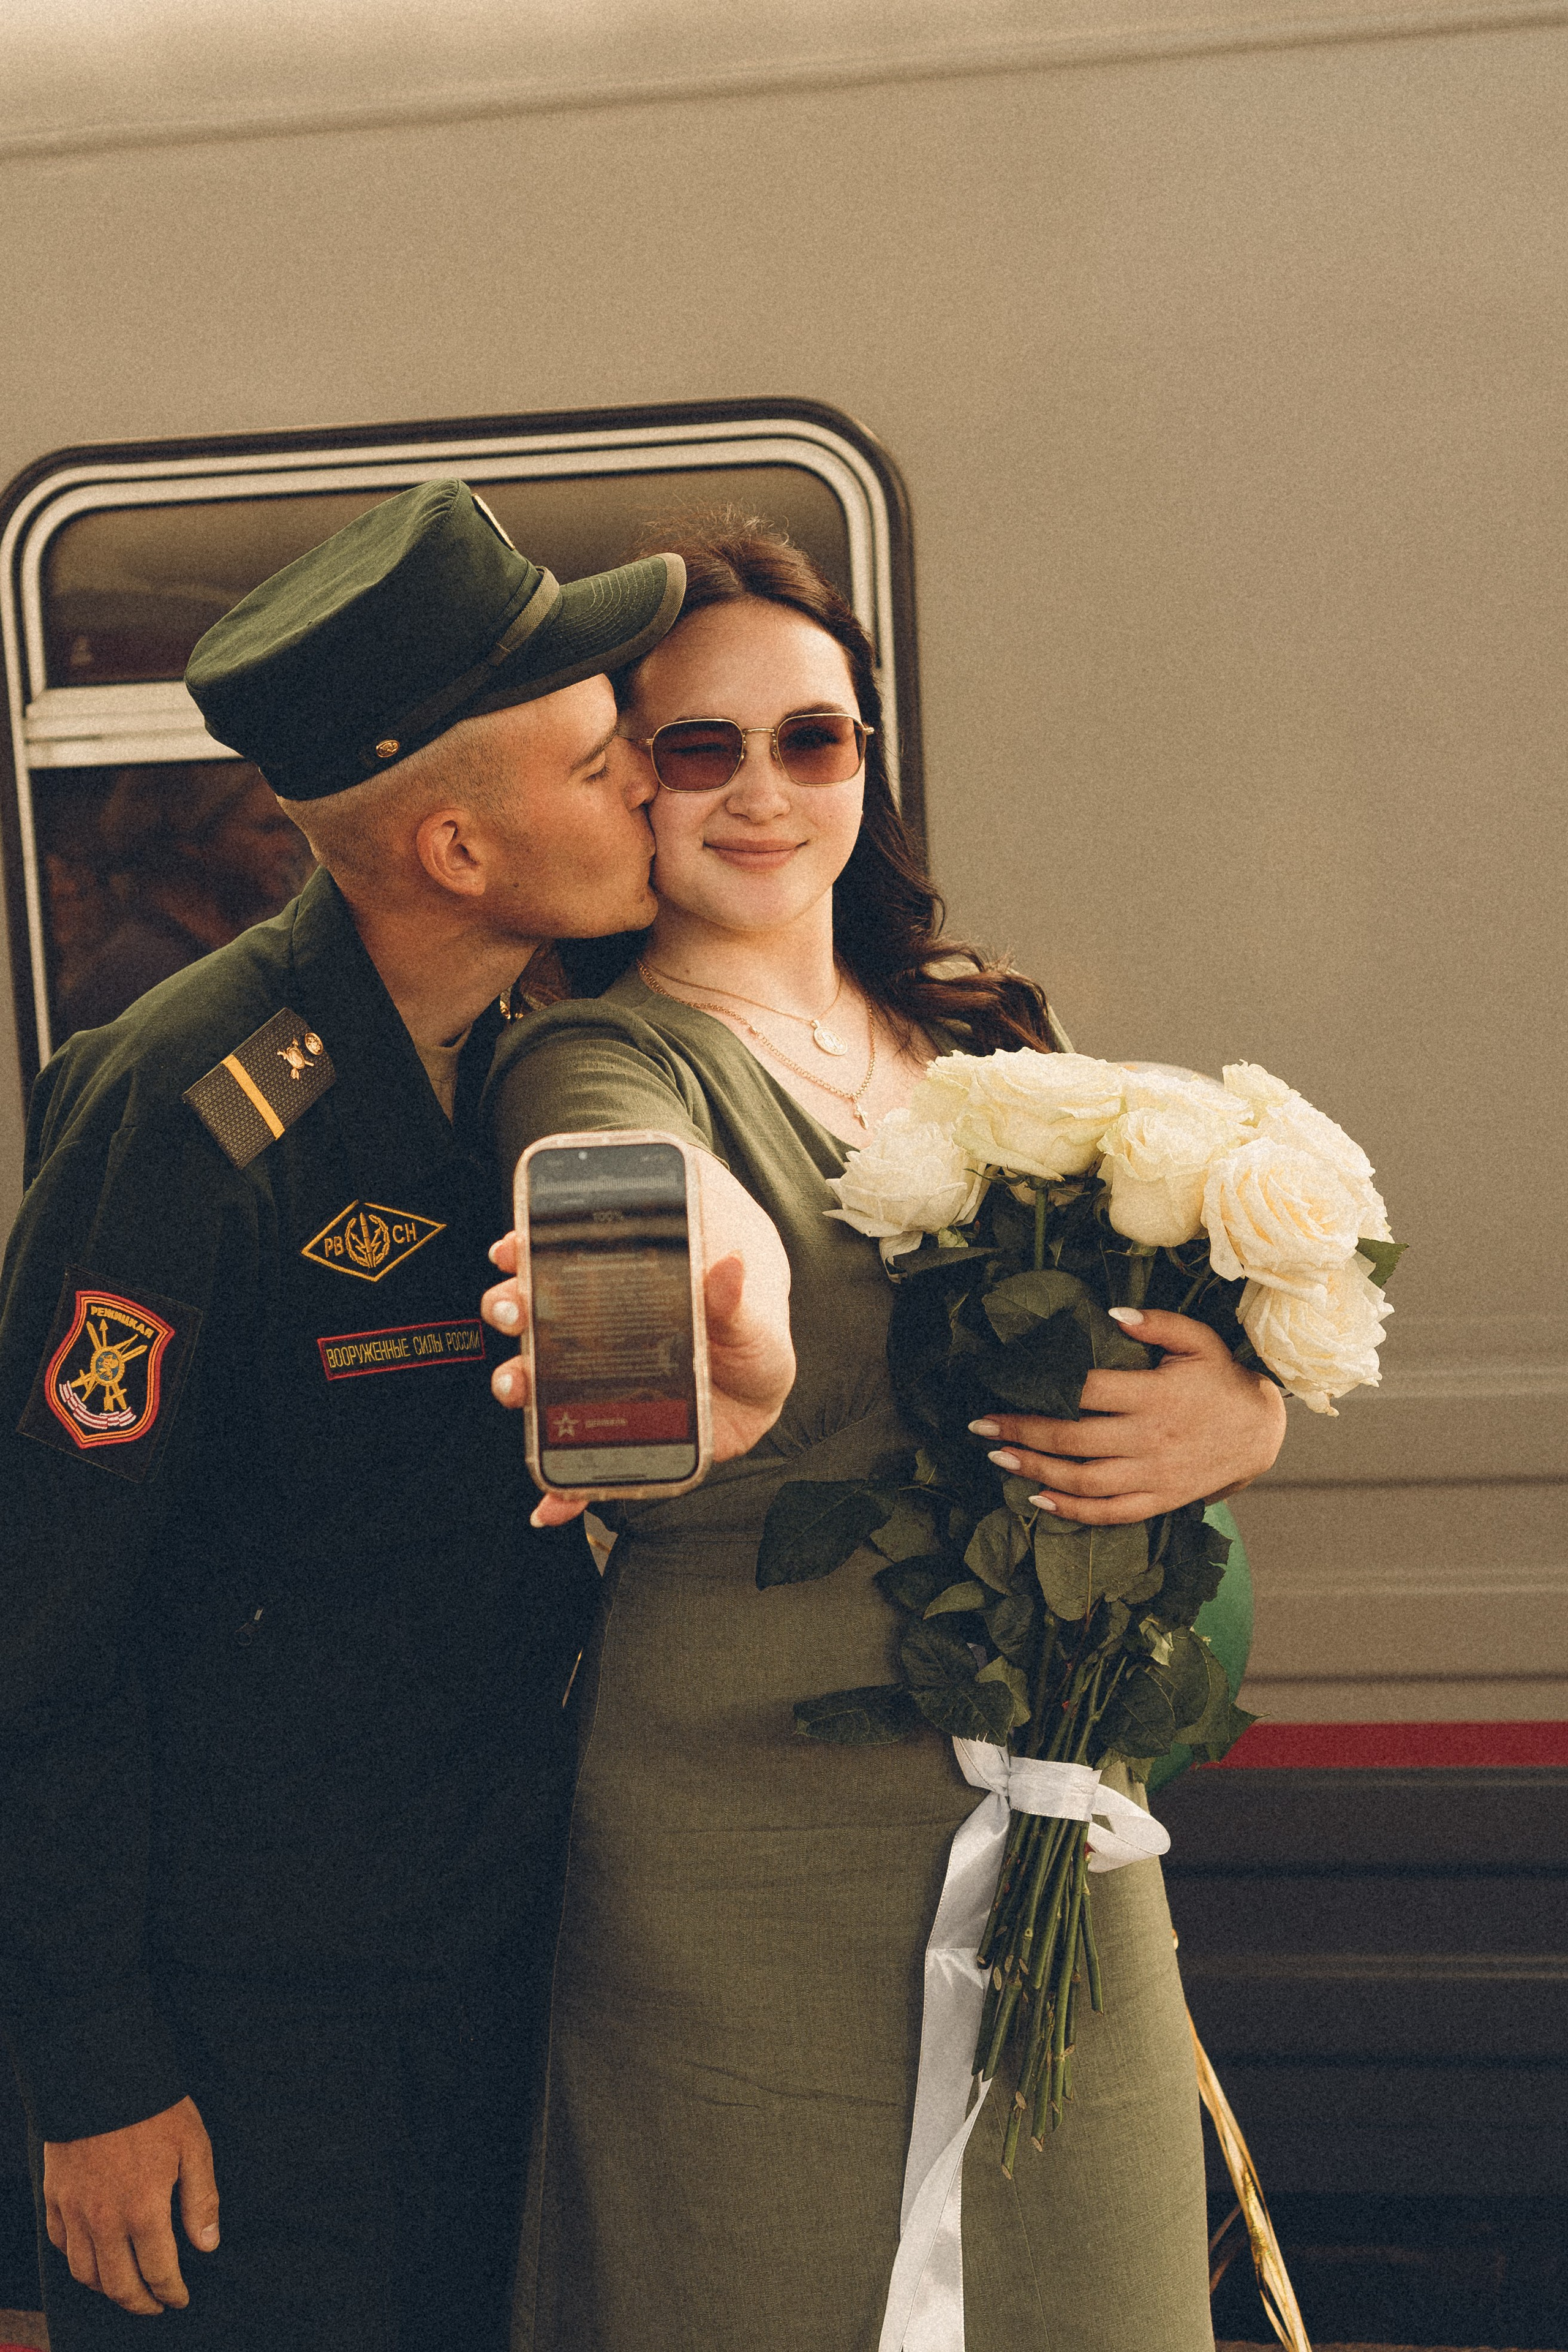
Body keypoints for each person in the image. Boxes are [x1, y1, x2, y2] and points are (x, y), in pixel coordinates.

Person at [0, 480, 794, 2352]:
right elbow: (45, 1632)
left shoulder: (522, 1057)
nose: (647, 793)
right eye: (604, 758)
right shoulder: (184, 1115)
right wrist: (93, 2070)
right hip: (252, 2039)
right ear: (453, 843)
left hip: (486, 1974)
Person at [481, 520, 1287, 2352]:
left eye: (811, 738)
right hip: (737, 1846)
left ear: (865, 764)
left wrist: (1237, 1413)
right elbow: (645, 1202)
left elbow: (1169, 1334)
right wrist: (714, 1313)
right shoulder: (595, 1055)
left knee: (1100, 2296)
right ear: (632, 780)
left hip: (1056, 1820)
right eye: (699, 746)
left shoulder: (996, 1037)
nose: (762, 788)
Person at [58, 761, 313, 1037]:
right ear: (191, 840)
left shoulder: (224, 952)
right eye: (267, 828)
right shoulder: (142, 975)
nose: (288, 847)